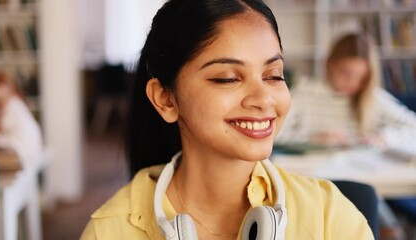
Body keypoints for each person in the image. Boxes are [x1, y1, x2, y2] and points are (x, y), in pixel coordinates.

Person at [80, 1, 373, 239]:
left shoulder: (330, 216)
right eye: (228, 78)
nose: (264, 98)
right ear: (166, 99)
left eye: (273, 75)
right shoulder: (109, 231)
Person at [276, 33, 416, 240]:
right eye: (345, 73)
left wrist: (384, 137)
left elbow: (411, 124)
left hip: (366, 174)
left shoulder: (372, 97)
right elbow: (275, 132)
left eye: (362, 77)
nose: (353, 83)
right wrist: (312, 139)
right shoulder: (305, 95)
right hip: (318, 178)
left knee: (370, 206)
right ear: (328, 64)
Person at [0, 68, 42, 166]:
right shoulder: (11, 105)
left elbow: (1, 137)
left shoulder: (12, 105)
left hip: (24, 151)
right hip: (27, 150)